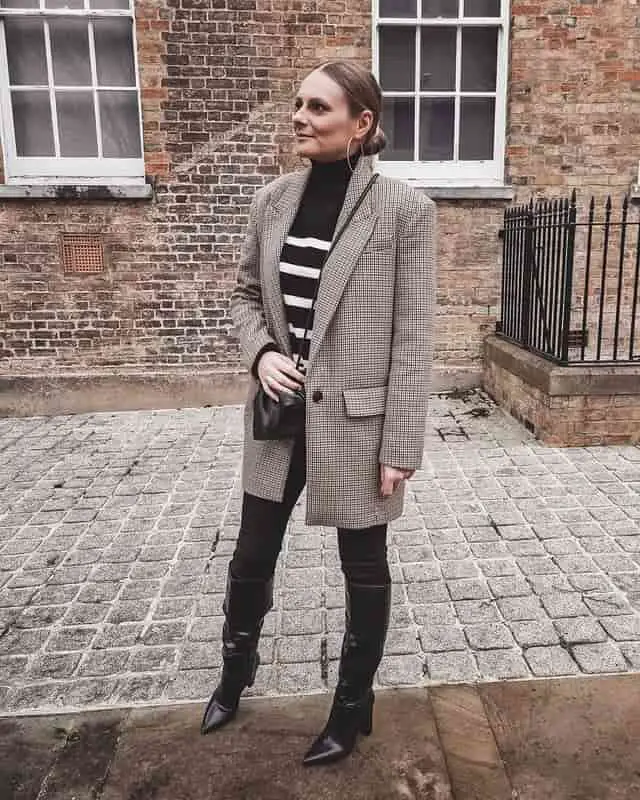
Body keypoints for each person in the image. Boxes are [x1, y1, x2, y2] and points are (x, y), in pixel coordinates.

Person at [201, 59, 436, 767]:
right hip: (279, 417)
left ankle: (351, 704)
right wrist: (261, 354)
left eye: (318, 108)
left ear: (361, 124)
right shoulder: (272, 200)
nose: (300, 116)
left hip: (360, 429)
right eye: (298, 104)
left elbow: (413, 338)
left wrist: (401, 446)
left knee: (364, 567)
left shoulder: (405, 211)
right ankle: (234, 674)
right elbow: (244, 296)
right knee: (249, 559)